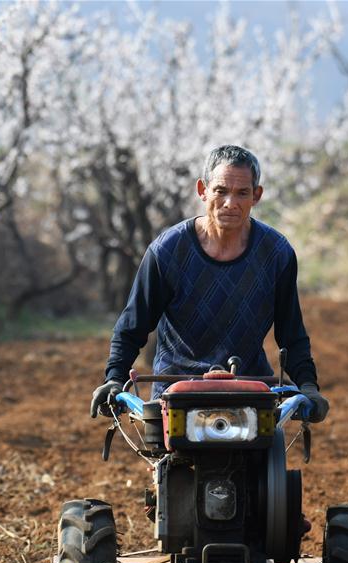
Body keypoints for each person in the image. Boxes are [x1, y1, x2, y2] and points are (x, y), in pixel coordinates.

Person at [90, 145, 329, 420]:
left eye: (242, 193)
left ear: (257, 196)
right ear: (202, 190)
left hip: (249, 386)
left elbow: (291, 333)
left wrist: (308, 385)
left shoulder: (276, 253)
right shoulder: (168, 251)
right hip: (175, 391)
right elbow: (133, 326)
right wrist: (114, 378)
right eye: (221, 191)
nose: (230, 203)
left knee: (264, 453)